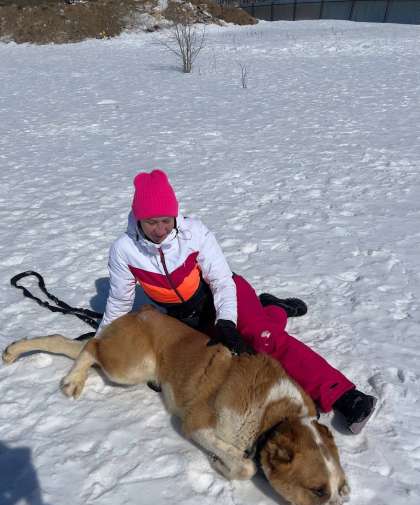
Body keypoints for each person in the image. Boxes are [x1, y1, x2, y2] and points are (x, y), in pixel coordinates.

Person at [97, 169, 377, 434]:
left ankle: (345, 396)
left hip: (225, 294)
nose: (159, 230)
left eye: (165, 221)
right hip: (185, 316)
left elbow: (221, 281)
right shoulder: (125, 250)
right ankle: (274, 309)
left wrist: (227, 322)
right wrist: (104, 342)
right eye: (151, 222)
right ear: (138, 219)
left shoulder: (194, 233)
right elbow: (120, 300)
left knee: (264, 338)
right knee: (224, 359)